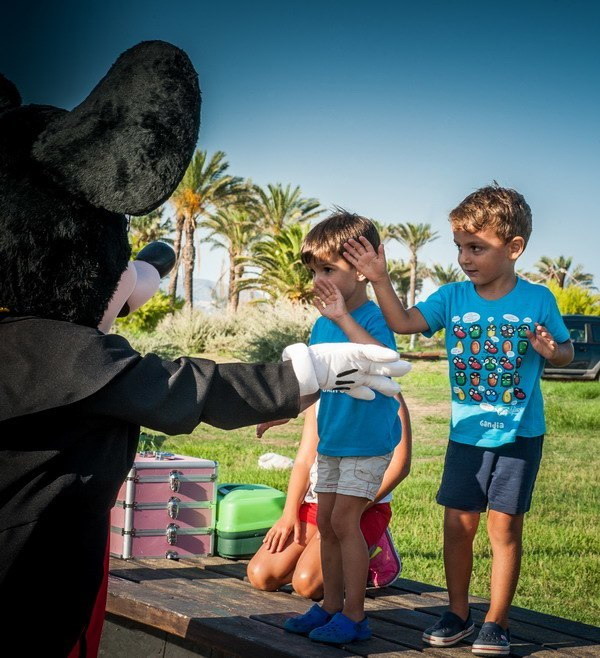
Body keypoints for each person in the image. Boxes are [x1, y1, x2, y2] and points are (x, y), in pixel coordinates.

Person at [343, 185, 574, 656]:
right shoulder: (451, 297)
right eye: (459, 247)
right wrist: (380, 279)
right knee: (458, 525)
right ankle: (458, 612)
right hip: (466, 437)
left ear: (514, 248)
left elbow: (566, 350)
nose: (464, 258)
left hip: (519, 437)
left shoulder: (538, 299)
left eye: (476, 247)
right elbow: (405, 323)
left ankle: (497, 620)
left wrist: (555, 352)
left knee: (504, 530)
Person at [266, 211, 411, 645]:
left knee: (346, 522)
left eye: (328, 269)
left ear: (362, 271)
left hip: (367, 443)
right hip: (332, 438)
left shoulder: (375, 315)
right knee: (327, 522)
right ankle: (329, 605)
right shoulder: (320, 324)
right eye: (314, 271)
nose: (318, 279)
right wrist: (283, 409)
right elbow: (313, 380)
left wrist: (343, 318)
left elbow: (388, 359)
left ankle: (355, 615)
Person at [247, 391, 411, 600]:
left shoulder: (388, 393)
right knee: (261, 576)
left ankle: (369, 552)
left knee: (306, 585)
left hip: (362, 507)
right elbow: (305, 460)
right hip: (319, 502)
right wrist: (289, 514)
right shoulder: (324, 391)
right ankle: (313, 560)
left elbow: (400, 466)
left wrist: (350, 512)